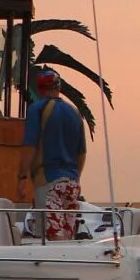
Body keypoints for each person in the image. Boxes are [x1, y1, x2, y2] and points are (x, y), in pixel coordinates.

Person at [18, 67, 88, 241]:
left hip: (48, 181)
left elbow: (29, 146)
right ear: (59, 88)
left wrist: (22, 177)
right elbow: (82, 153)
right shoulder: (75, 113)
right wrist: (75, 178)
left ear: (40, 89)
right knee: (68, 235)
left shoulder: (38, 109)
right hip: (72, 184)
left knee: (51, 237)